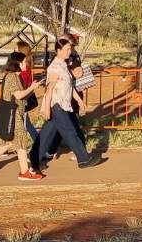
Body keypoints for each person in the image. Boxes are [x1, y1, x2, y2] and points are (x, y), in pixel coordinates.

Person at [35, 37, 104, 169]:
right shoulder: (54, 67)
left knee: (46, 135)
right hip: (57, 106)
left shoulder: (63, 65)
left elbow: (69, 86)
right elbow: (49, 89)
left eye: (70, 49)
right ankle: (84, 159)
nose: (69, 52)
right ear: (59, 50)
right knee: (70, 131)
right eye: (67, 49)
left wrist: (79, 101)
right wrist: (48, 108)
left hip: (62, 105)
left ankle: (33, 160)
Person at [0, 53, 44, 180]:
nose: (26, 64)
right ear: (18, 63)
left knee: (9, 143)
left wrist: (32, 89)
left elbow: (20, 96)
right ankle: (24, 172)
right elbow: (18, 95)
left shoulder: (14, 76)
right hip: (14, 114)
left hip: (15, 112)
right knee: (21, 140)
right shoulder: (13, 77)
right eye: (24, 62)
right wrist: (31, 87)